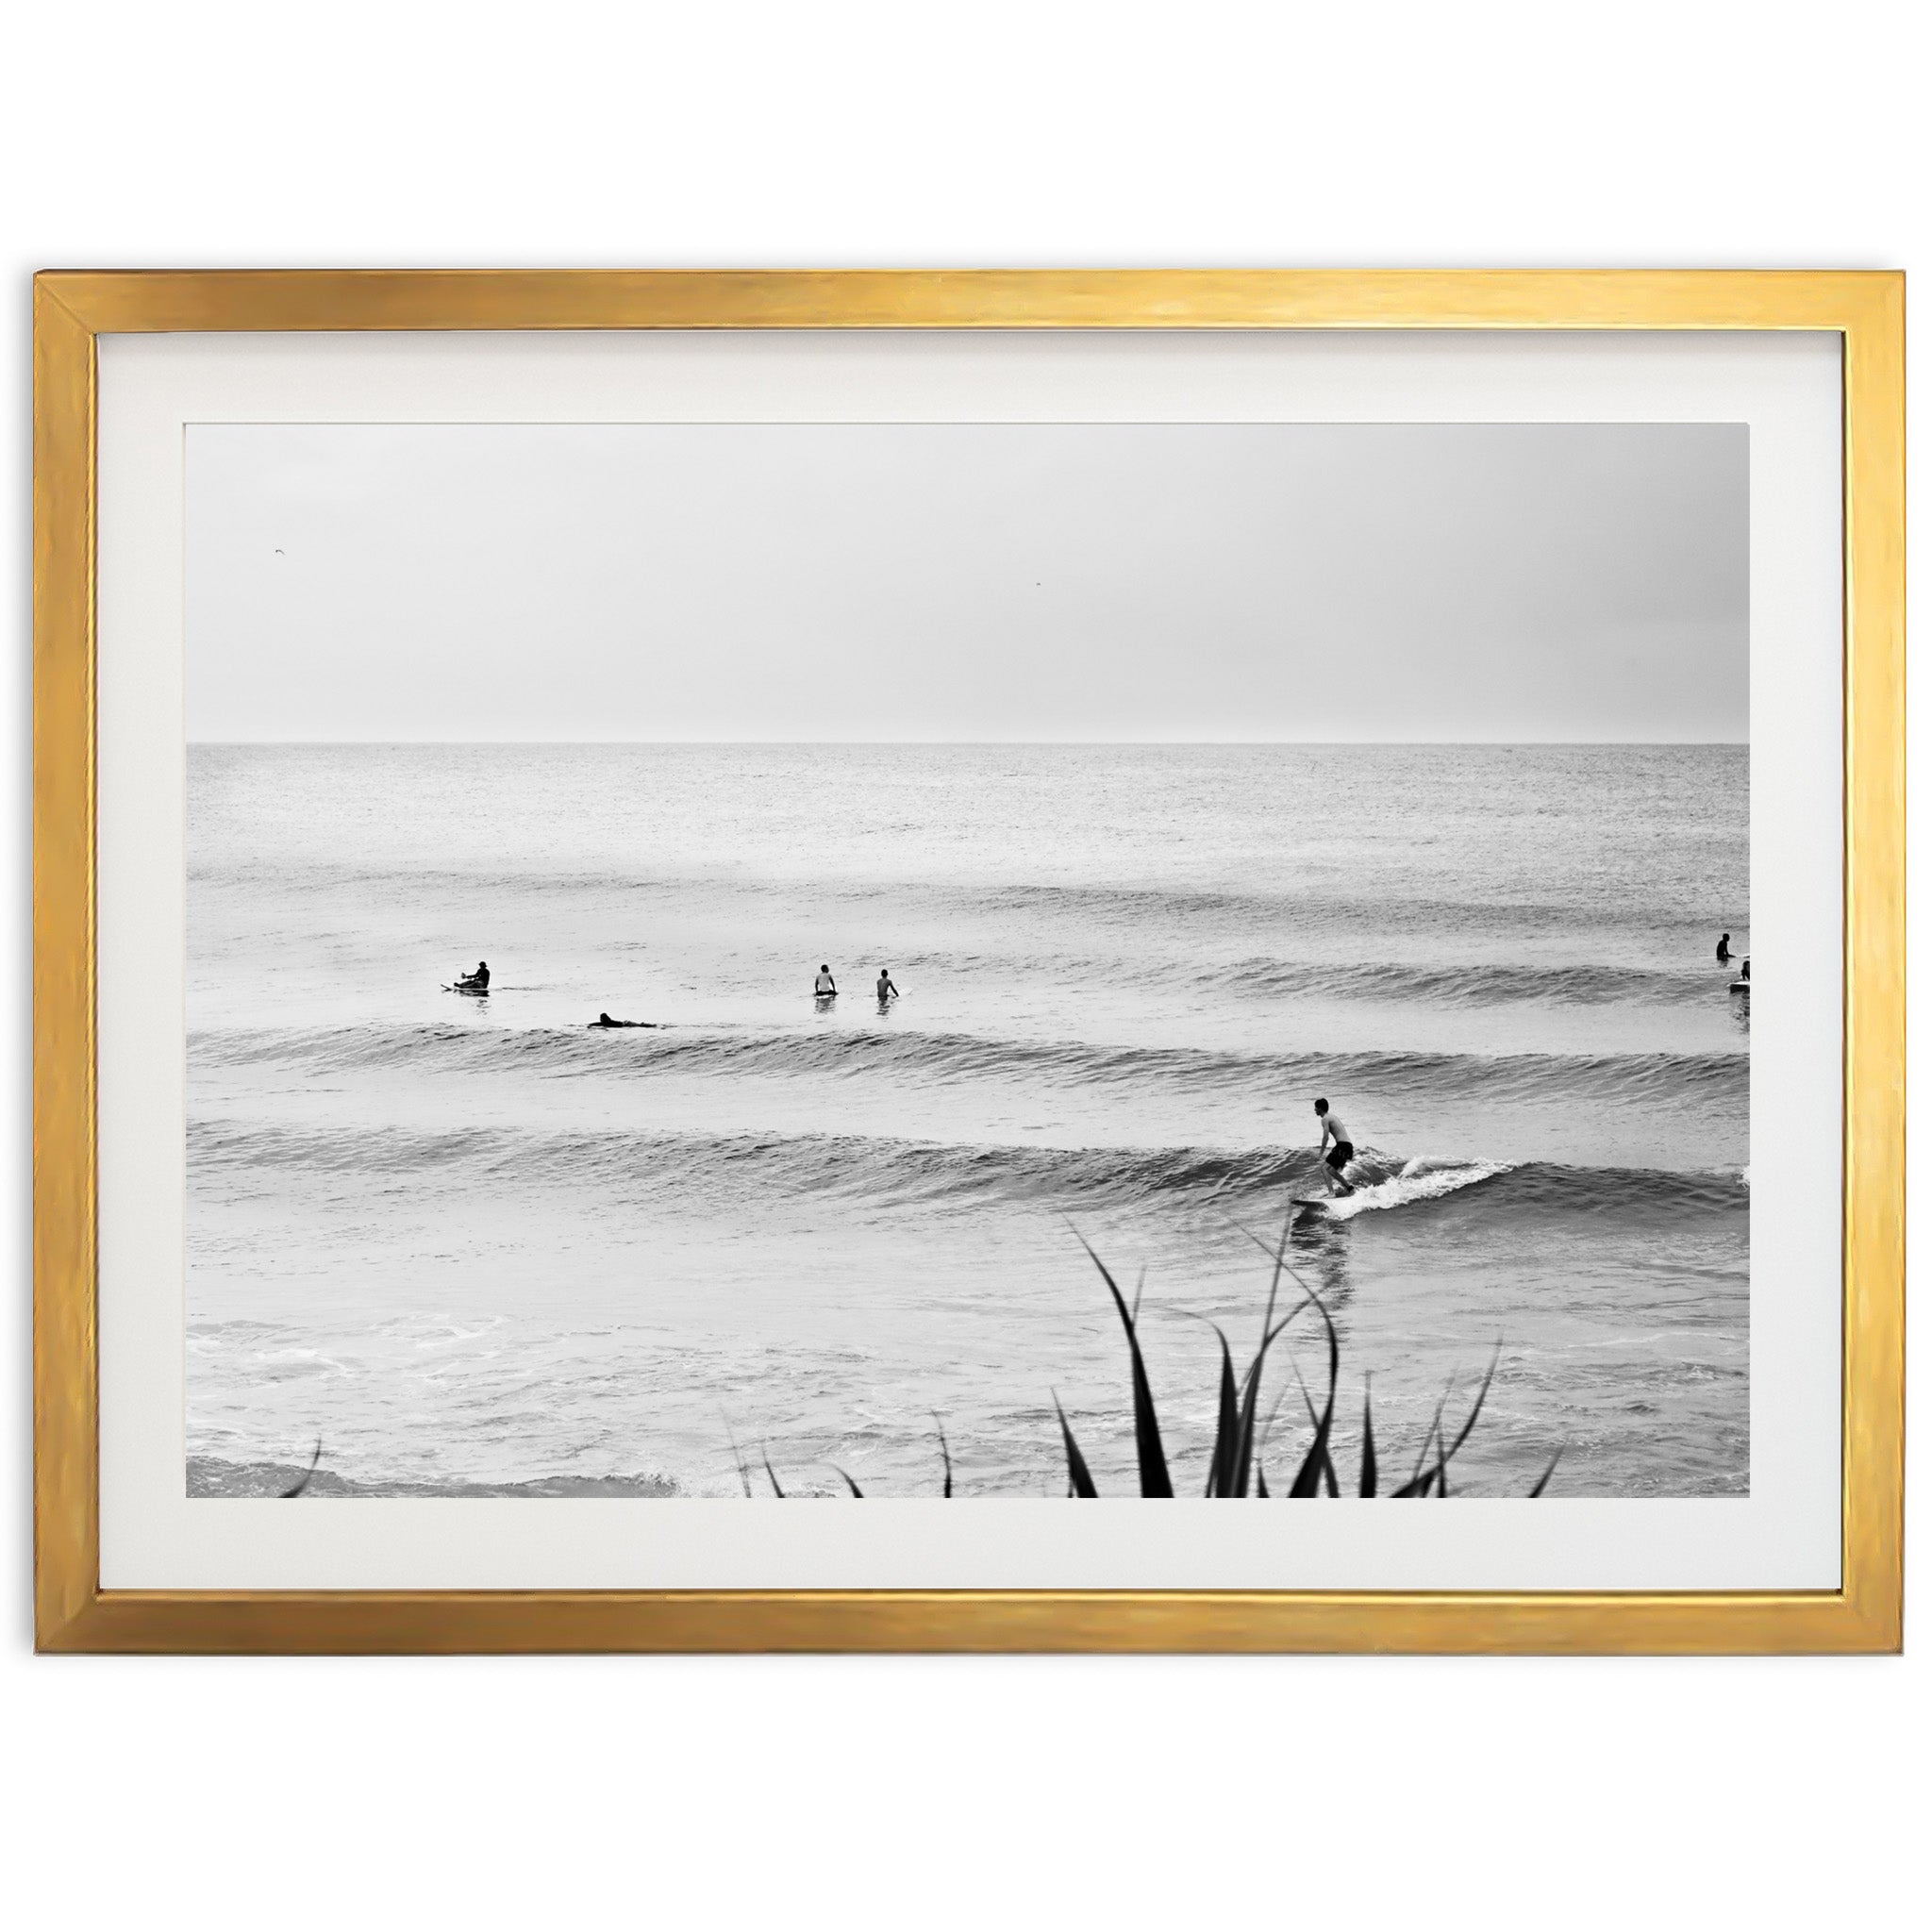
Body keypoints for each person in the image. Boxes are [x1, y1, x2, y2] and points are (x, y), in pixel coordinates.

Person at [1313, 1097, 1357, 1196]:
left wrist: (1320, 1154)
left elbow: (1325, 1137)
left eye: (1316, 1107)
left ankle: (1331, 1193)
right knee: (1331, 1170)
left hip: (1342, 1145)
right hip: (1347, 1146)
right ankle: (1351, 1189)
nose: (1315, 1110)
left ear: (1320, 1108)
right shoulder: (1332, 1116)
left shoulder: (1325, 1119)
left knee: (1324, 1168)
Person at [588, 1012, 656, 1028]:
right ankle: (652, 1025)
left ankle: (652, 1026)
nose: (600, 1020)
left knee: (640, 1026)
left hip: (627, 1024)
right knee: (640, 1025)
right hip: (626, 1023)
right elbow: (598, 1024)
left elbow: (599, 1024)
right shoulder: (608, 1022)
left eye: (601, 1018)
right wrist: (591, 1024)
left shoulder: (607, 1023)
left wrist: (591, 1025)